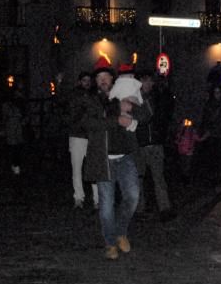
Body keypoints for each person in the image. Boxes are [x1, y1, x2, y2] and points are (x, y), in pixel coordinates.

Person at [81, 62, 150, 260]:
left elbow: (145, 115)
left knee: (133, 197)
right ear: (96, 82)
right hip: (103, 160)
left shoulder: (124, 92)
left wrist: (132, 107)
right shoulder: (92, 100)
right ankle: (110, 243)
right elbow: (88, 123)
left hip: (126, 156)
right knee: (106, 205)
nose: (103, 80)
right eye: (99, 77)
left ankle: (120, 232)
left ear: (113, 79)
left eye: (106, 76)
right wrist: (116, 118)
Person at [134, 68, 175, 221]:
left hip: (156, 143)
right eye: (146, 80)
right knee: (139, 178)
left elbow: (165, 114)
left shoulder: (157, 97)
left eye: (151, 80)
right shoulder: (134, 99)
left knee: (159, 177)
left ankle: (164, 208)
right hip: (140, 143)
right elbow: (139, 119)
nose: (149, 83)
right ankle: (139, 208)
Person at [67, 71, 96, 209]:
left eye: (89, 80)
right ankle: (78, 197)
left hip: (91, 136)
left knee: (94, 168)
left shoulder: (94, 95)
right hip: (77, 135)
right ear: (79, 82)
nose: (87, 83)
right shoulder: (74, 95)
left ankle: (97, 198)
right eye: (84, 80)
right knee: (77, 169)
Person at [2, 85, 28, 175]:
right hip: (12, 126)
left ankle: (16, 164)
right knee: (13, 147)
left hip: (18, 126)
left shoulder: (21, 104)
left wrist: (23, 122)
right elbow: (5, 116)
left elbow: (26, 115)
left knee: (18, 146)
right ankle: (15, 164)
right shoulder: (7, 105)